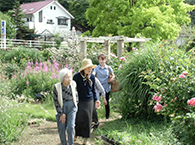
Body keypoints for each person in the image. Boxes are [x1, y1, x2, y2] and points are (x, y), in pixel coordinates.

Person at [73, 58, 100, 145]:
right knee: (78, 120)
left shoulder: (92, 76)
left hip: (89, 101)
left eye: (91, 68)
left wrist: (96, 100)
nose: (90, 69)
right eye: (88, 67)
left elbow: (93, 89)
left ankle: (85, 140)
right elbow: (73, 89)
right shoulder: (76, 77)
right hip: (79, 101)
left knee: (88, 121)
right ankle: (75, 134)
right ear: (83, 68)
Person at [53, 68, 78, 145]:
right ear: (62, 78)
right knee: (62, 127)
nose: (69, 79)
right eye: (67, 77)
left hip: (72, 107)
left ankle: (71, 143)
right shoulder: (56, 87)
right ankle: (63, 143)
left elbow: (76, 96)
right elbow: (56, 101)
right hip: (61, 107)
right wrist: (61, 113)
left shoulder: (73, 84)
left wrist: (76, 106)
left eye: (70, 77)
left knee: (71, 126)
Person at [93, 54, 114, 122]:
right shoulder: (96, 68)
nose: (101, 61)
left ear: (105, 60)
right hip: (98, 88)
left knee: (106, 102)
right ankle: (94, 117)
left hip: (106, 87)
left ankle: (107, 117)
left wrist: (110, 77)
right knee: (95, 101)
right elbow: (93, 74)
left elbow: (112, 75)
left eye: (102, 59)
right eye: (99, 59)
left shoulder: (108, 68)